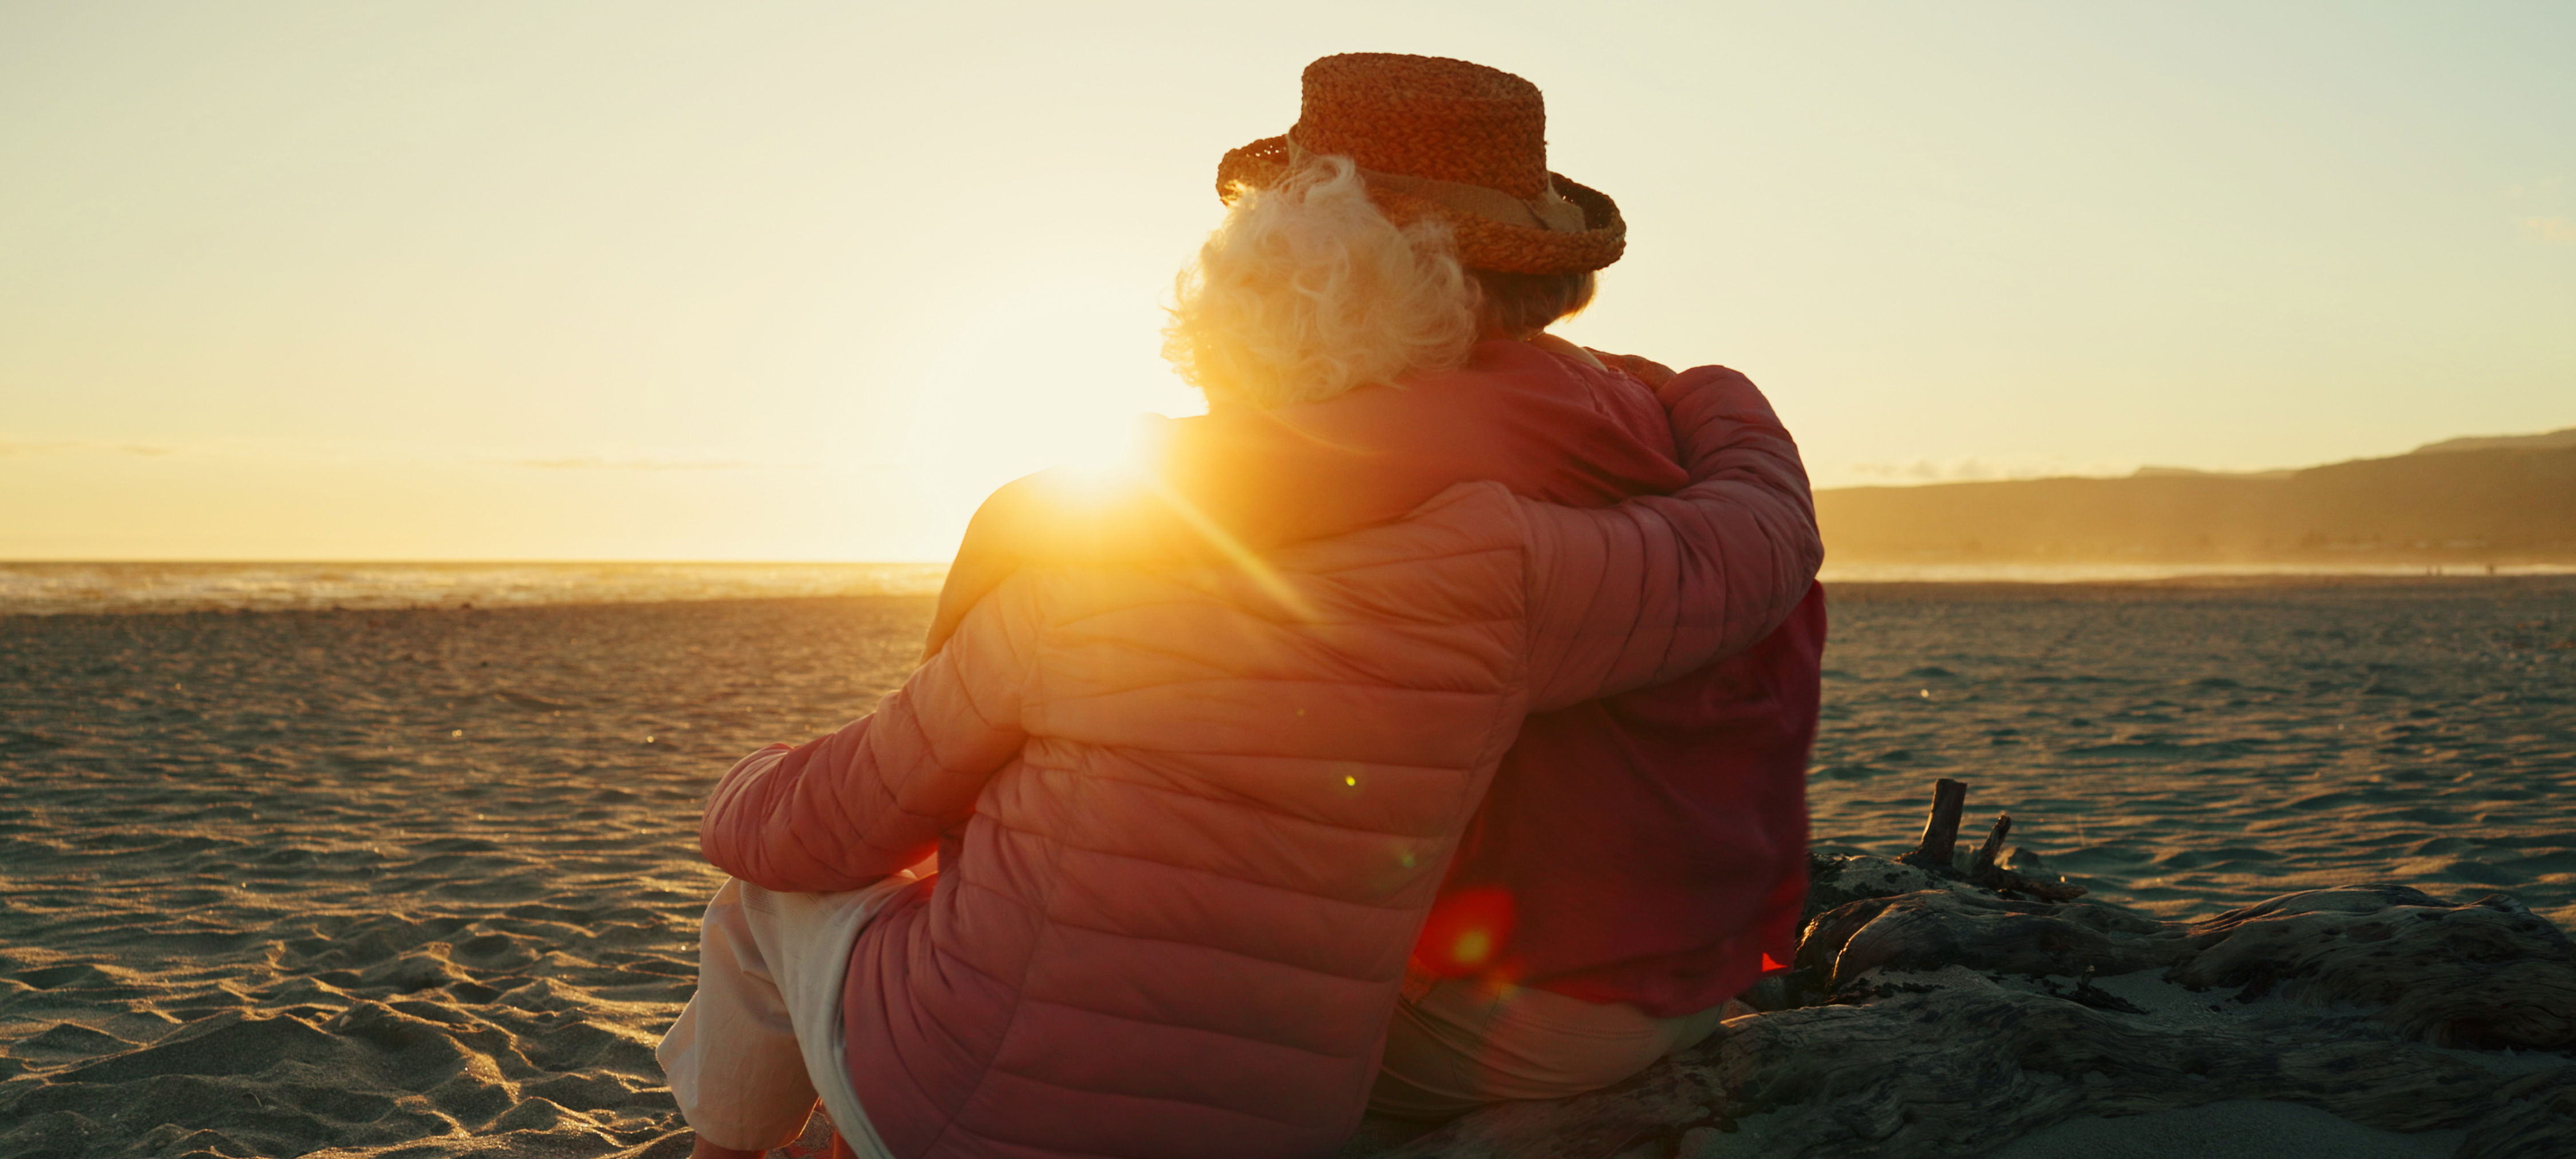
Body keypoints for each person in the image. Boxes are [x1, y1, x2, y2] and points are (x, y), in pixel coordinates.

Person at [657, 52, 1822, 1159]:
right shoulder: (1546, 508)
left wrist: (747, 787)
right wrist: (1718, 395)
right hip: (1643, 985)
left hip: (1492, 1019)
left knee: (783, 891)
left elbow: (837, 818)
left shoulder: (1098, 536)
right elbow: (1756, 550)